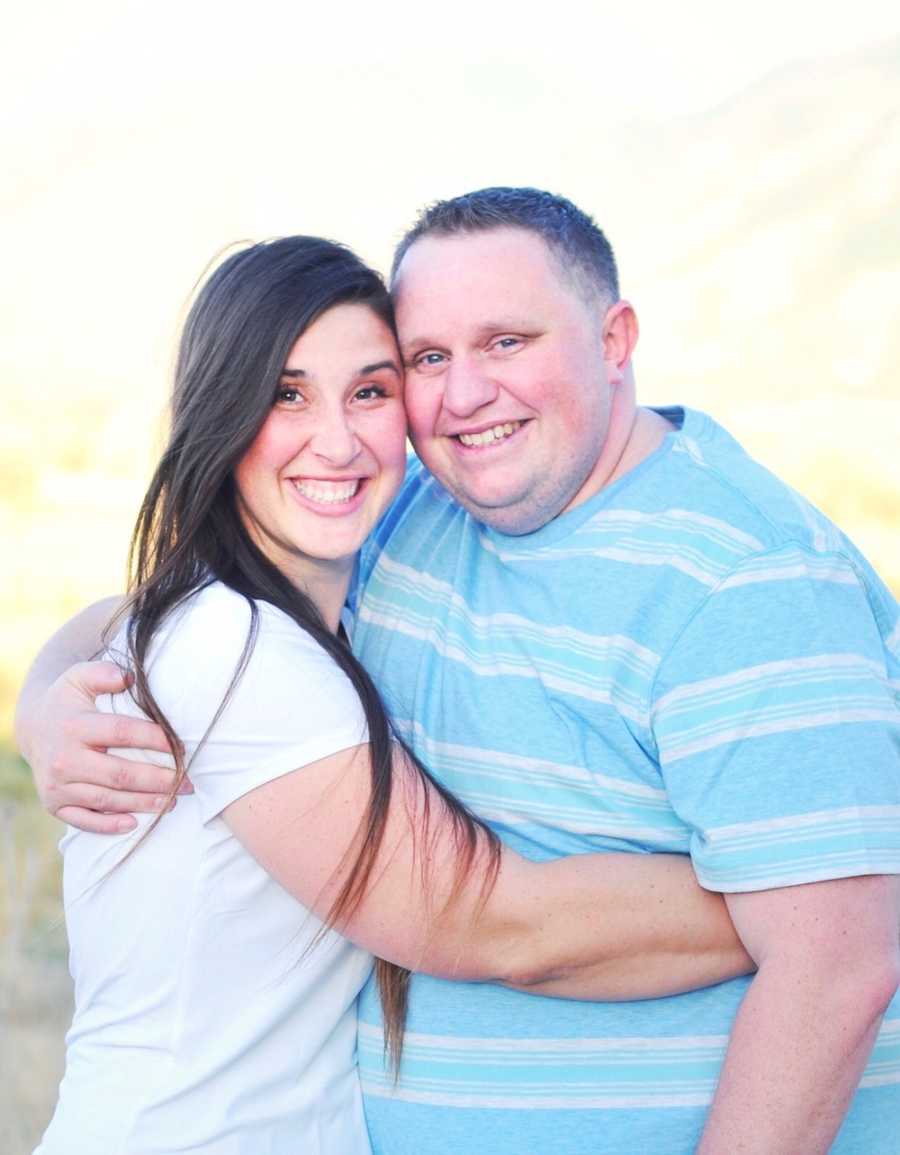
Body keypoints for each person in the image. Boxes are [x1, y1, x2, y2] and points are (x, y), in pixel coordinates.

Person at [18, 188, 900, 1153]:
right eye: (430, 358)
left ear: (616, 339)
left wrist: (822, 919)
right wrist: (46, 699)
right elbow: (478, 918)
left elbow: (839, 962)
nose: (464, 393)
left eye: (507, 342)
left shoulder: (744, 576)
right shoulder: (369, 547)